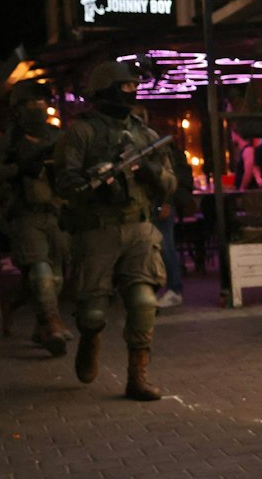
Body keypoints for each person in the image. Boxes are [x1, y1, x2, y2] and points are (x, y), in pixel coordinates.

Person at [55, 61, 175, 400]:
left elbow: (169, 181)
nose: (132, 93)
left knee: (143, 301)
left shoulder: (145, 134)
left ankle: (137, 377)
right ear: (106, 89)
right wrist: (95, 184)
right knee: (93, 311)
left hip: (139, 227)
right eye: (125, 87)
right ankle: (90, 340)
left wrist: (153, 173)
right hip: (97, 231)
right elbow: (65, 182)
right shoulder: (81, 132)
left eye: (135, 87)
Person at [0, 80, 73, 356]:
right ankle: (51, 325)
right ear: (18, 110)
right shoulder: (7, 142)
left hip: (55, 212)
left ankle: (34, 319)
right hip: (24, 214)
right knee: (40, 272)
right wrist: (20, 168)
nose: (38, 109)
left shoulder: (57, 137)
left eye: (41, 103)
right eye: (31, 104)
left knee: (57, 278)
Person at [154, 141, 197, 308]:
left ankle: (174, 289)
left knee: (165, 246)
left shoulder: (163, 151)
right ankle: (169, 288)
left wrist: (166, 202)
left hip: (161, 203)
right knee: (164, 246)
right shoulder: (167, 149)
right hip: (162, 203)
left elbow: (169, 179)